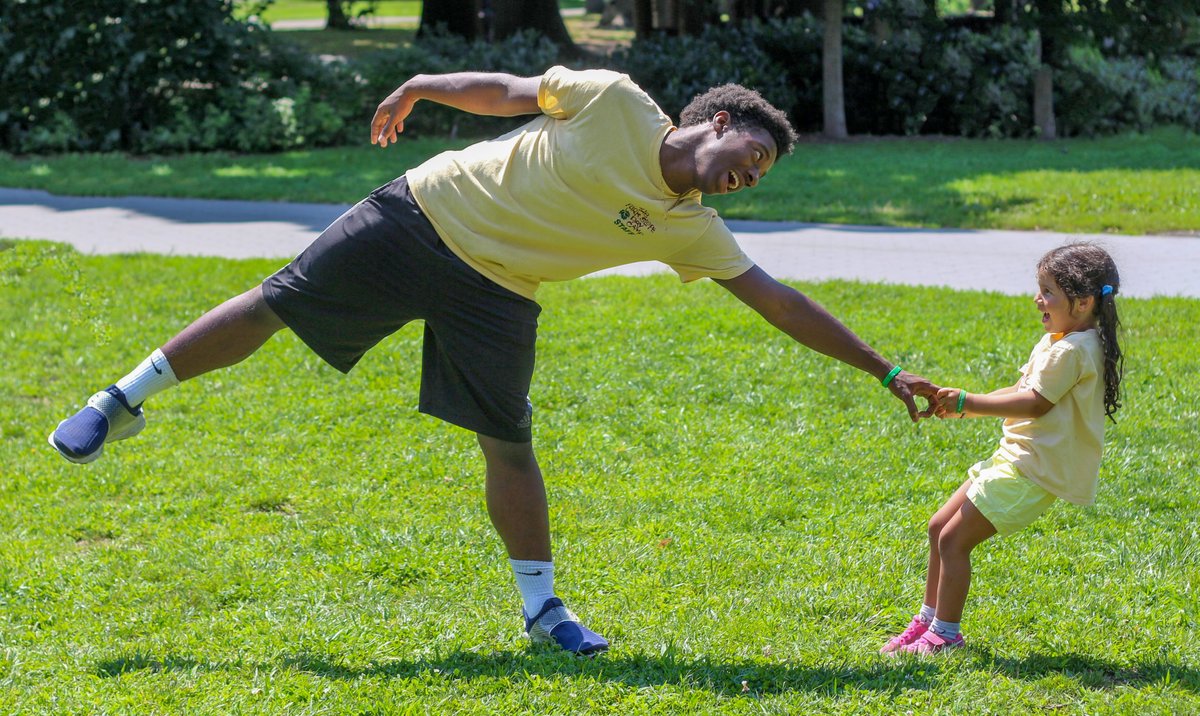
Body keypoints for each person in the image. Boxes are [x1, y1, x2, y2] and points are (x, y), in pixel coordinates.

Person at [48, 66, 938, 655]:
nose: (752, 176)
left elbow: (781, 302)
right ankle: (118, 399)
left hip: (500, 291)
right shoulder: (616, 101)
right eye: (754, 156)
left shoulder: (688, 227)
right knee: (276, 303)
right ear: (719, 122)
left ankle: (543, 609)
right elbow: (511, 92)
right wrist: (420, 86)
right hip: (422, 213)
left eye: (761, 176)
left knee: (509, 442)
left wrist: (887, 371)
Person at [880, 242, 1124, 655]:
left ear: (1083, 302)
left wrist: (969, 401)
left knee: (953, 541)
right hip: (1015, 457)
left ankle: (945, 635)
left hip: (1033, 469)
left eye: (1048, 292)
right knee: (939, 527)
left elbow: (1035, 403)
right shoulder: (1059, 340)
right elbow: (1021, 389)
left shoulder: (1073, 350)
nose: (1037, 299)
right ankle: (927, 621)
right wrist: (963, 405)